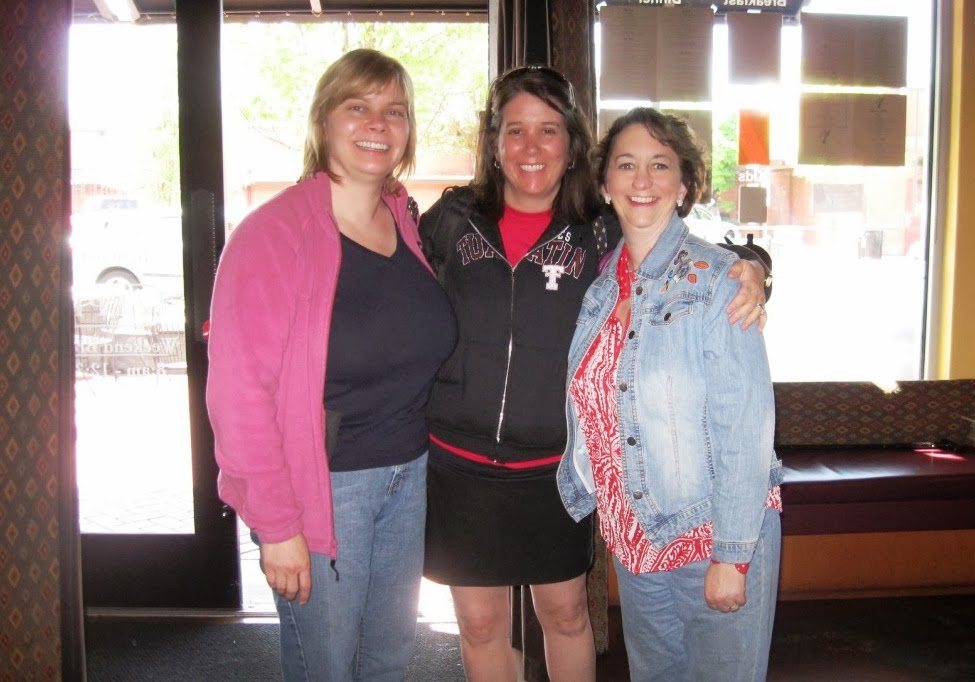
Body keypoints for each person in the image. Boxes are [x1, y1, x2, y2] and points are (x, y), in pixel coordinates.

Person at [418, 67, 770, 681]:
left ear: (572, 145)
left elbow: (680, 249)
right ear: (494, 143)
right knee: (479, 626)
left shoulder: (596, 226)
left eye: (548, 130)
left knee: (565, 616)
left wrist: (754, 265)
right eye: (516, 130)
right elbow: (396, 284)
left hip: (554, 472)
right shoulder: (452, 219)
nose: (531, 147)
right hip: (461, 466)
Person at [206, 49, 457, 681]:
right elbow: (238, 396)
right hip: (325, 487)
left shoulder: (402, 219)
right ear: (323, 121)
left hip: (406, 476)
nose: (378, 123)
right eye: (357, 106)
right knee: (327, 668)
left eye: (394, 110)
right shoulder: (273, 234)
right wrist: (276, 526)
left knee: (388, 661)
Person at [557, 107, 782, 682]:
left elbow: (746, 427)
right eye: (626, 164)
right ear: (605, 183)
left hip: (710, 533)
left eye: (660, 165)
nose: (642, 180)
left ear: (684, 186)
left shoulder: (718, 280)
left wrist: (733, 554)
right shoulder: (601, 286)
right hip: (636, 539)